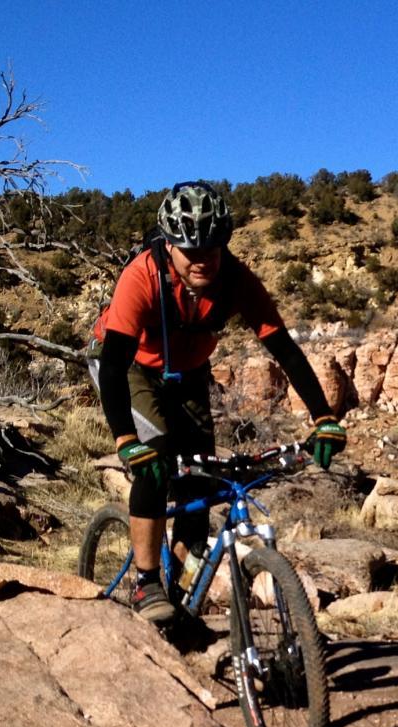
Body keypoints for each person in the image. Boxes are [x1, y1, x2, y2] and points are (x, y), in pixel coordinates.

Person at [92, 180, 346, 624]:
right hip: (132, 366)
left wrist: (323, 416)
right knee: (156, 457)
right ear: (169, 246)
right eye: (189, 250)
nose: (201, 260)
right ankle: (147, 582)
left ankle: (183, 590)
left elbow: (284, 349)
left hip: (188, 374)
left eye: (211, 248)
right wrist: (127, 440)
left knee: (200, 483)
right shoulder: (141, 277)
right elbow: (113, 366)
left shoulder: (236, 280)